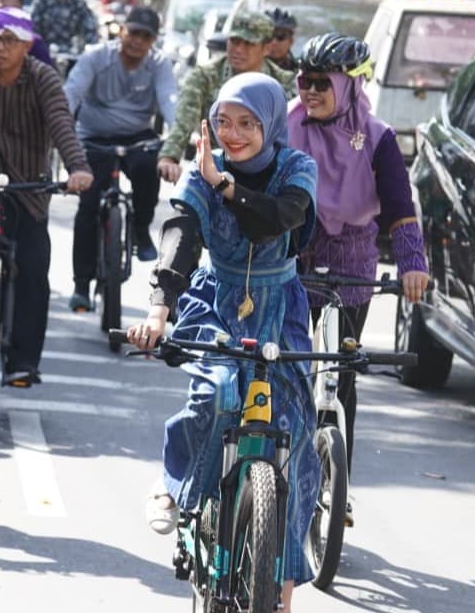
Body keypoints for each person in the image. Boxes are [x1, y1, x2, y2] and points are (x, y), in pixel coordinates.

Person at [126, 72, 320, 612]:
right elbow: (180, 235)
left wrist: (226, 184)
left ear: (272, 124)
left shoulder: (297, 168)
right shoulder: (199, 173)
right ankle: (173, 484)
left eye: (247, 124)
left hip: (281, 306)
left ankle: (280, 586)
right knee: (215, 394)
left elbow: (276, 219)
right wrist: (158, 310)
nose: (233, 134)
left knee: (299, 435)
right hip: (217, 298)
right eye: (224, 122)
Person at [287, 33, 430, 490]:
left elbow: (399, 204)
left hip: (352, 256)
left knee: (341, 370)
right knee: (284, 361)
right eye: (304, 80)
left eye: (321, 83)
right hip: (292, 252)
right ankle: (277, 464)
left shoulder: (377, 137)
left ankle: (334, 483)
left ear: (349, 85)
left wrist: (412, 263)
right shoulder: (282, 124)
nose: (309, 91)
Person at [0, 9, 94, 385]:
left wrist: (78, 167)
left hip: (27, 188)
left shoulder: (43, 78)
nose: (0, 47)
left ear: (27, 45)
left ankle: (23, 362)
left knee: (33, 266)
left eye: (10, 40)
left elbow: (61, 123)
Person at [64, 5, 177, 310]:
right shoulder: (96, 57)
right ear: (121, 31)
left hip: (137, 137)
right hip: (93, 137)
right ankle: (81, 284)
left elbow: (171, 103)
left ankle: (141, 228)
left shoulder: (159, 64)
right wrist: (63, 134)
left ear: (153, 39)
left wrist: (176, 145)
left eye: (146, 36)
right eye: (133, 33)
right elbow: (70, 94)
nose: (137, 41)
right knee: (87, 206)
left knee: (148, 171)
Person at [158, 11, 296, 185]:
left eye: (248, 44)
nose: (238, 50)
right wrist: (170, 157)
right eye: (234, 41)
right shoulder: (204, 76)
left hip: (267, 173)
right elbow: (184, 120)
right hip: (216, 166)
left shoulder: (285, 82)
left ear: (267, 48)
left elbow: (292, 132)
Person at [266, 7, 298, 72]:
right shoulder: (248, 67)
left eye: (281, 37)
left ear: (291, 41)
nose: (274, 42)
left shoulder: (299, 71)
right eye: (269, 36)